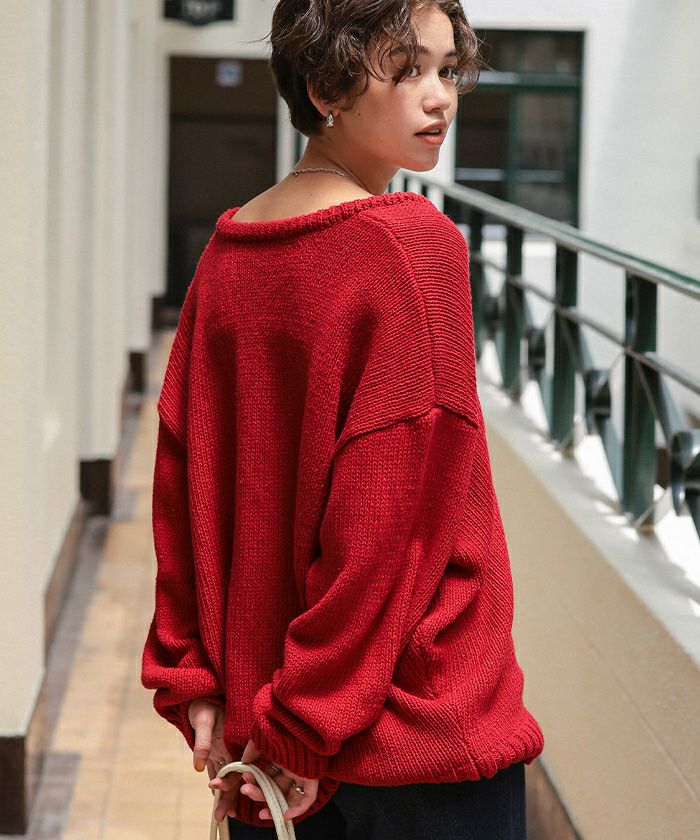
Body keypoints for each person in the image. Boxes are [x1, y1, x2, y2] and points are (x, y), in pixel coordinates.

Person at [140, 0, 545, 837]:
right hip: (406, 735)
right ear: (325, 86)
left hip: (267, 738)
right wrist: (305, 720)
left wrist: (193, 675)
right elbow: (390, 524)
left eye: (448, 70)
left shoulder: (228, 252)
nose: (441, 97)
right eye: (409, 70)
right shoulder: (412, 247)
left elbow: (184, 482)